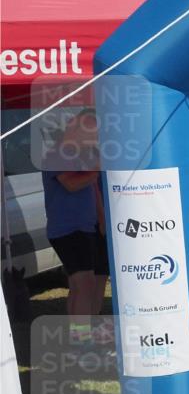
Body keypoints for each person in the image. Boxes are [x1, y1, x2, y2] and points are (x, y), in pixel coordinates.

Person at [41, 110, 109, 343]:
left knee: (79, 284)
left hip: (84, 226)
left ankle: (79, 337)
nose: (94, 138)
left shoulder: (82, 155)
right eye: (90, 132)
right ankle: (82, 339)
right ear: (74, 127)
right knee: (84, 283)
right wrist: (98, 168)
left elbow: (93, 189)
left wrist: (100, 218)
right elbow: (71, 184)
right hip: (68, 228)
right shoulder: (55, 155)